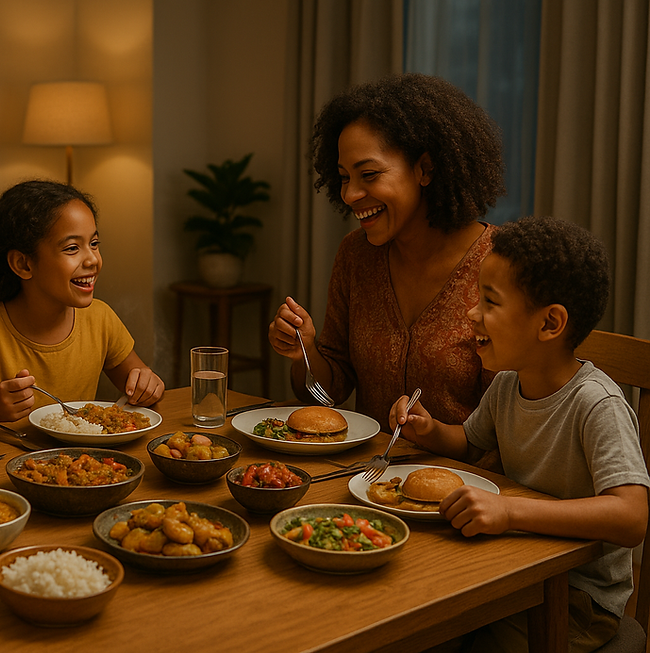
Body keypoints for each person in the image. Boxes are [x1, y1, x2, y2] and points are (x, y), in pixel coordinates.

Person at [391, 216, 650, 651]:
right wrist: (429, 428)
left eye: (490, 302)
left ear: (549, 324)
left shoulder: (596, 404)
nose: (471, 313)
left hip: (577, 598)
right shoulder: (510, 383)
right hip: (514, 564)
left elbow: (631, 517)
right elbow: (469, 444)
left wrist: (510, 512)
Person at [268, 73, 506, 429]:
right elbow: (326, 395)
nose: (349, 195)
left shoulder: (502, 263)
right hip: (369, 480)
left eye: (369, 175)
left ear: (424, 169)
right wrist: (304, 351)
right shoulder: (356, 255)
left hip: (471, 481)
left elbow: (510, 423)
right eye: (344, 177)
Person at [0, 180, 164, 429]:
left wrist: (149, 384)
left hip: (83, 462)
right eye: (72, 248)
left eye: (94, 244)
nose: (93, 259)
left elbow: (143, 384)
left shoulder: (100, 318)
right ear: (23, 264)